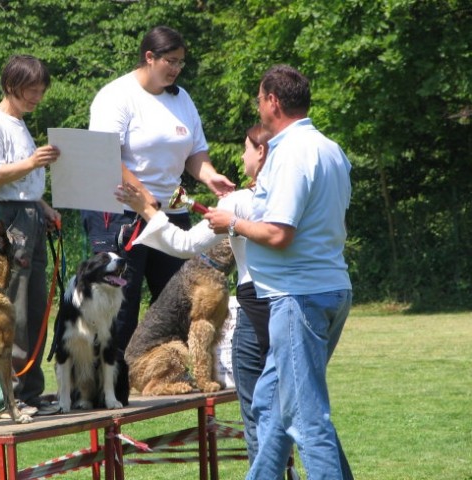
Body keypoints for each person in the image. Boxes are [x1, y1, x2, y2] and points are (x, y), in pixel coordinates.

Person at [206, 65, 353, 479]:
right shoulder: (329, 147)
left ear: (273, 101)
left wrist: (231, 223)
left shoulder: (289, 153)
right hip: (329, 287)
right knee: (272, 409)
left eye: (258, 98)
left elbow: (278, 233)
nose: (258, 104)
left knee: (307, 419)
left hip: (297, 297)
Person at [115, 124, 271, 463]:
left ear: (261, 153)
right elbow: (200, 331)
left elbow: (184, 243)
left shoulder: (240, 204)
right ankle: (168, 383)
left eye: (246, 149)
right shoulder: (283, 194)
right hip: (146, 359)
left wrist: (145, 207)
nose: (242, 155)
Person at [82, 25, 235, 356]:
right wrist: (140, 192)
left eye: (181, 62)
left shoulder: (182, 99)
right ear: (149, 57)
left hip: (170, 213)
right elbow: (104, 156)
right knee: (121, 304)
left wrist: (210, 176)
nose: (177, 69)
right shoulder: (116, 96)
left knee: (178, 301)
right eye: (171, 61)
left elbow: (196, 153)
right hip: (121, 213)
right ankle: (106, 392)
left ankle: (171, 379)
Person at [0, 54, 61, 418]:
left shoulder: (19, 123)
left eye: (41, 91)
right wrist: (33, 163)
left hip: (27, 217)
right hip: (4, 222)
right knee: (9, 313)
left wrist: (43, 206)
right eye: (31, 91)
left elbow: (21, 183)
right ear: (11, 86)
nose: (37, 97)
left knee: (35, 309)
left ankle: (29, 392)